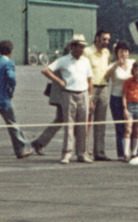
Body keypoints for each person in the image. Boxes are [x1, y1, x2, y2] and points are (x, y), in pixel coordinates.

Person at [31, 35, 94, 163]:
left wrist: (90, 97)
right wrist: (59, 81)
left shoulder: (85, 61)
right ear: (73, 47)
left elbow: (90, 80)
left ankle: (82, 153)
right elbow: (46, 70)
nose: (82, 49)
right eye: (80, 46)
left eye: (83, 47)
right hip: (68, 94)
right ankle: (67, 154)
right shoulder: (63, 60)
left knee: (82, 126)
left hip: (83, 94)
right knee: (68, 126)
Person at [83, 30, 113, 159]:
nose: (106, 42)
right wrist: (88, 93)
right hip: (91, 88)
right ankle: (83, 150)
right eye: (104, 39)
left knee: (100, 122)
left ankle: (99, 152)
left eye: (108, 39)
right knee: (86, 121)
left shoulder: (106, 53)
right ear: (97, 38)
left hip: (104, 88)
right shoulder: (88, 52)